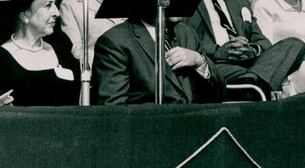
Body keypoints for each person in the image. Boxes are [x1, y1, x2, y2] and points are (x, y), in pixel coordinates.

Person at [0, 0, 80, 106]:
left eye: (55, 3)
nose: (56, 13)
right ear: (24, 15)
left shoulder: (61, 46)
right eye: (48, 5)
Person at [93, 8, 225, 106]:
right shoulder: (115, 40)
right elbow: (114, 110)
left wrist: (200, 61)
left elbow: (219, 93)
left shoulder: (186, 32)